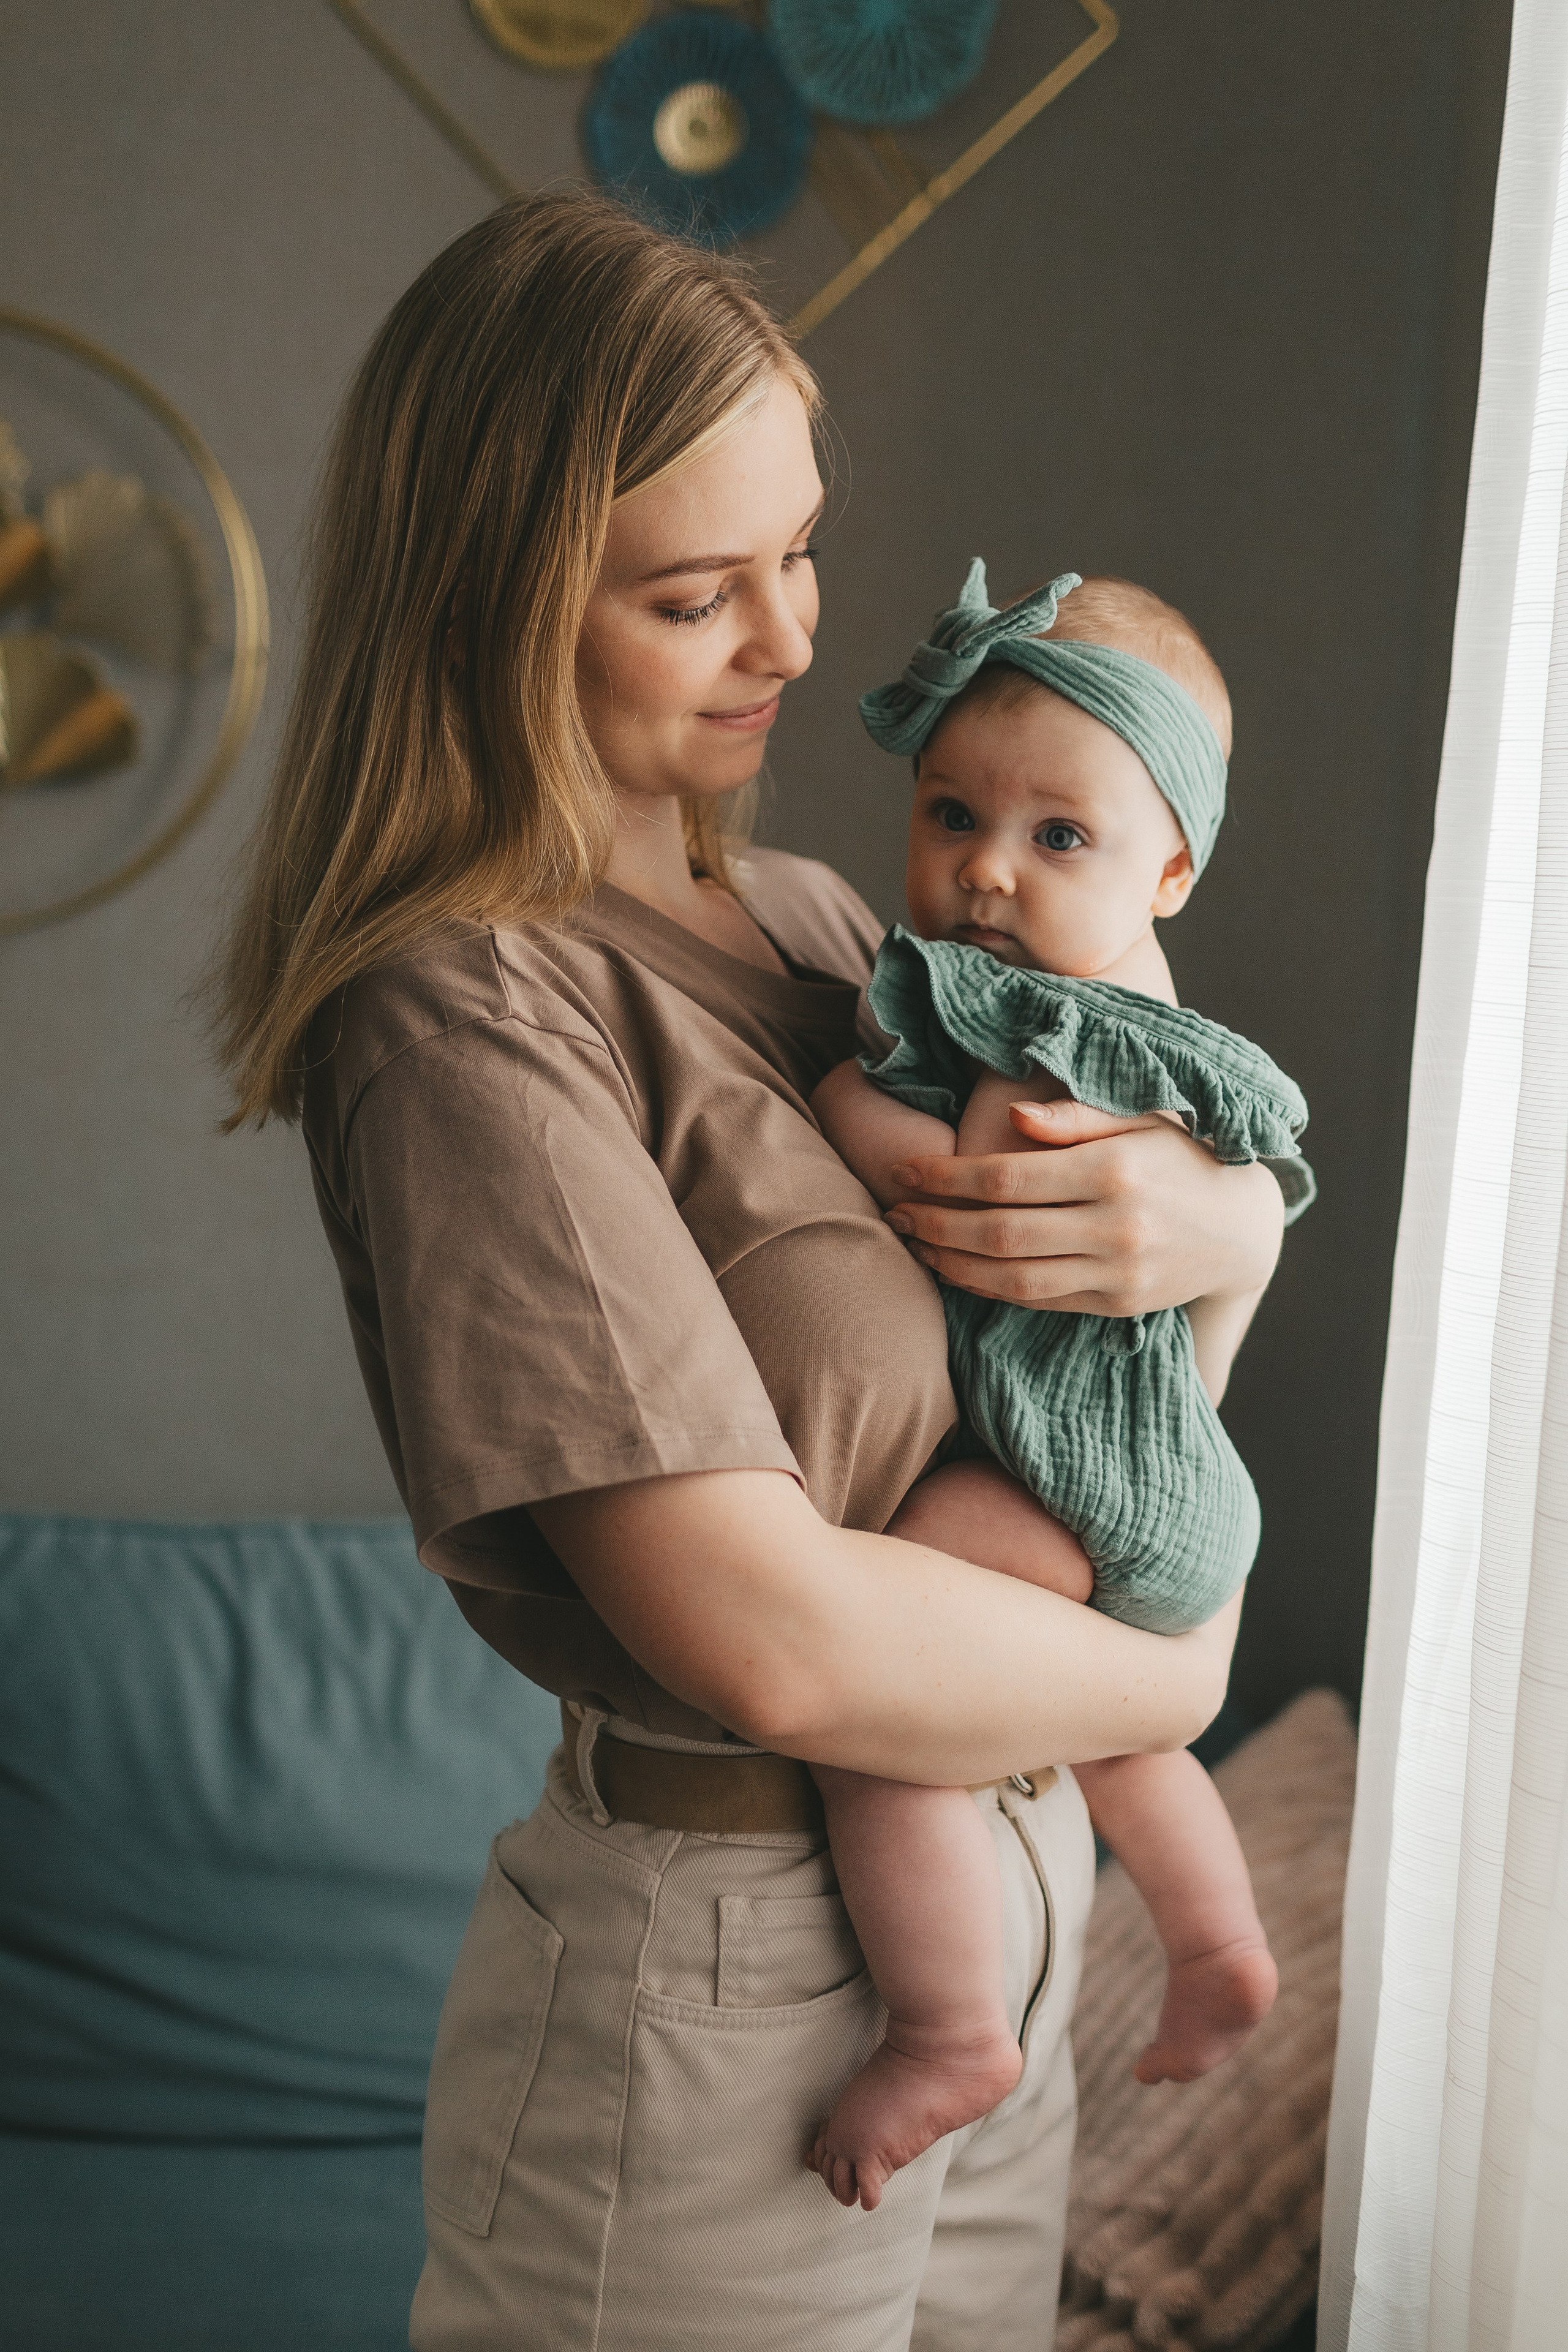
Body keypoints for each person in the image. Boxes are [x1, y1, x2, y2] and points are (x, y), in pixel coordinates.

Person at [211, 192, 1287, 2352]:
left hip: (1006, 1887)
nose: (798, 643)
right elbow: (767, 1642)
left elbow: (1101, 1430)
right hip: (727, 1971)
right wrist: (1178, 1689)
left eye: (798, 552)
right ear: (499, 611)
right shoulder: (459, 1012)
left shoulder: (823, 932)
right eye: (699, 595)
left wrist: (1223, 1229)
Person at [807, 564, 1315, 2212]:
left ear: (1173, 864)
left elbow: (970, 1187)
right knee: (1111, 1736)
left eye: (1060, 838)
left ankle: (950, 2025)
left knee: (880, 1690)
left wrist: (848, 1114)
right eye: (953, 812)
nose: (987, 873)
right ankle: (1219, 1939)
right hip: (1160, 1486)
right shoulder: (1116, 1015)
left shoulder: (1067, 1025)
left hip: (1062, 1469)